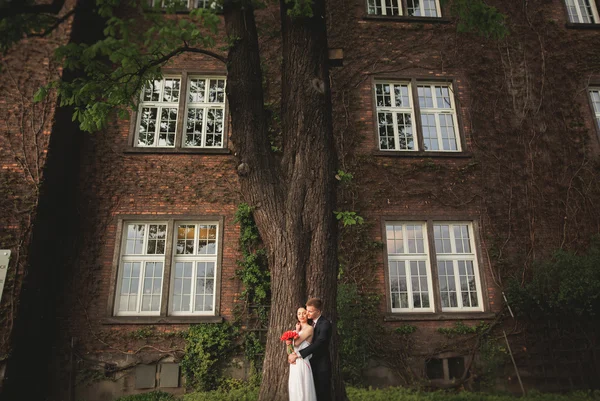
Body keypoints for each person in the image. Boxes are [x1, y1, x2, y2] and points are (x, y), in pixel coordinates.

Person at [288, 298, 332, 401]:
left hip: (321, 364)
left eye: (310, 311)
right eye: (307, 310)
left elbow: (319, 343)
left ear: (318, 311)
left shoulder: (325, 324)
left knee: (323, 393)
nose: (307, 313)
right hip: (310, 363)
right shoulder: (310, 323)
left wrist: (298, 354)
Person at [287, 307, 317, 401]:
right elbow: (291, 348)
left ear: (308, 315)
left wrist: (294, 333)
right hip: (294, 363)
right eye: (299, 313)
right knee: (294, 387)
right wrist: (290, 354)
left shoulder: (309, 328)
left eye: (304, 313)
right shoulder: (297, 329)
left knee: (303, 387)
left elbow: (296, 343)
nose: (301, 316)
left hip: (302, 361)